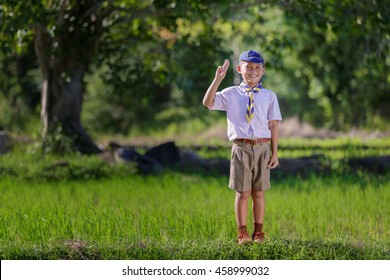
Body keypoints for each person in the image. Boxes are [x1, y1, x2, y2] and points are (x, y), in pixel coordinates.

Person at [202, 49, 282, 244]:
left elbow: (273, 125)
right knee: (243, 192)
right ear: (239, 69)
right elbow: (207, 102)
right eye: (248, 67)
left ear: (263, 71)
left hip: (263, 148)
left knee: (259, 192)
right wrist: (218, 80)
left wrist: (275, 153)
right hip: (241, 147)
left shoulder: (269, 96)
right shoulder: (231, 93)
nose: (253, 71)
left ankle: (258, 233)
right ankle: (242, 233)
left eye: (257, 68)